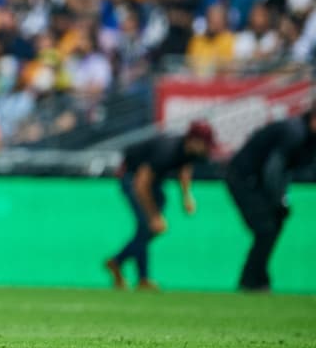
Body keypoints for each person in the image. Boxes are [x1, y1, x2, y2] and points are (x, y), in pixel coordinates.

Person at [105, 121, 215, 291]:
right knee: (148, 226)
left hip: (153, 183)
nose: (207, 148)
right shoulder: (167, 150)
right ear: (193, 140)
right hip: (131, 177)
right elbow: (141, 184)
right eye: (205, 143)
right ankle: (127, 268)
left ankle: (126, 268)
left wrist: (186, 196)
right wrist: (154, 216)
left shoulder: (188, 150)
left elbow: (184, 168)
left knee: (146, 230)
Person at [225, 110, 316, 291]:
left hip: (258, 183)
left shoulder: (306, 138)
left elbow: (284, 170)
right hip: (244, 178)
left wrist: (281, 200)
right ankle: (252, 279)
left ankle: (256, 278)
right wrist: (279, 200)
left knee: (272, 226)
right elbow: (273, 169)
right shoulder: (294, 132)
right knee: (266, 229)